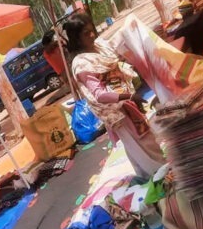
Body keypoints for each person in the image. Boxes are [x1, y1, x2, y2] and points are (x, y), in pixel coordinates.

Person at [64, 13, 164, 179]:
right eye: (86, 33)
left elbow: (117, 49)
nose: (92, 35)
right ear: (76, 38)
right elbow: (100, 95)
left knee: (143, 141)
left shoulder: (99, 46)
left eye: (92, 30)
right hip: (117, 112)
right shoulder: (82, 64)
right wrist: (129, 97)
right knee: (140, 144)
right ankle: (158, 175)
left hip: (126, 102)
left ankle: (151, 173)